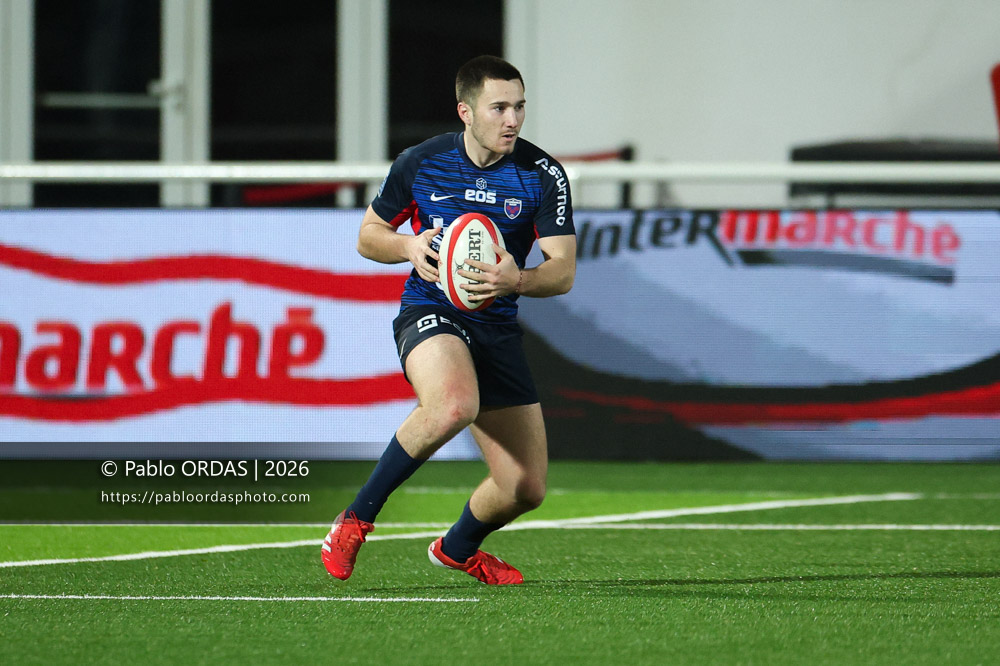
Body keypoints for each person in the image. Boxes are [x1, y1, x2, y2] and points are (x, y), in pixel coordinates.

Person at [322, 55, 576, 585]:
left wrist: (519, 280)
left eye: (520, 107)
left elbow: (563, 271)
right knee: (454, 404)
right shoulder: (421, 161)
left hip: (498, 326)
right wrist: (407, 244)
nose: (513, 119)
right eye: (499, 107)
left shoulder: (542, 174)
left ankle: (458, 548)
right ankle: (355, 519)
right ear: (466, 111)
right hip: (431, 310)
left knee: (525, 488)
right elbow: (368, 236)